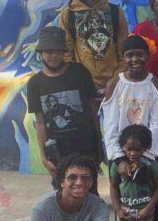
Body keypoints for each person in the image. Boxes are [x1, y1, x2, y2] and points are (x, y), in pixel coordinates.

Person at [26, 26, 102, 190]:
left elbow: (92, 109)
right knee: (62, 196)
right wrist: (43, 156)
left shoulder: (80, 72)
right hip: (58, 151)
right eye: (48, 51)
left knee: (89, 193)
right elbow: (40, 122)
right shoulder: (35, 83)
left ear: (63, 52)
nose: (53, 55)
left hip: (85, 146)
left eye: (57, 51)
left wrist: (99, 144)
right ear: (41, 53)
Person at [58, 0, 128, 93]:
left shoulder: (115, 12)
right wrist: (76, 81)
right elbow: (66, 53)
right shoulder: (69, 14)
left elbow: (123, 50)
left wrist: (116, 80)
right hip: (82, 85)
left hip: (115, 85)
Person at [100, 35, 158, 162]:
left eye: (139, 54)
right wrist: (119, 158)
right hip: (119, 152)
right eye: (129, 55)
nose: (135, 59)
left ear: (148, 55)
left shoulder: (157, 85)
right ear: (123, 57)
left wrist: (145, 156)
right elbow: (110, 125)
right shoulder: (114, 84)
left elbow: (156, 125)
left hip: (147, 153)